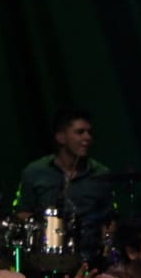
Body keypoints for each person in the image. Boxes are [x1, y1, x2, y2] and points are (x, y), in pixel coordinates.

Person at [13, 107, 117, 269]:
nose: (87, 137)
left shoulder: (101, 173)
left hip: (90, 259)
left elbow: (109, 219)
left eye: (89, 132)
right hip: (45, 257)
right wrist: (43, 229)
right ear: (61, 137)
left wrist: (107, 248)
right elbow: (22, 212)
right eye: (80, 132)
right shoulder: (35, 172)